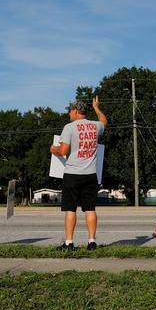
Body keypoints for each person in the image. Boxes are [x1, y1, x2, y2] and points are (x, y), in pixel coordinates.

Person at [50, 97, 108, 251]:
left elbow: (63, 151)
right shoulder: (96, 126)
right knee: (90, 209)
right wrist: (96, 108)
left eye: (69, 111)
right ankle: (92, 242)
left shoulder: (69, 127)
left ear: (75, 111)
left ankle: (69, 243)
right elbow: (104, 122)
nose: (69, 114)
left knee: (70, 209)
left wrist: (53, 149)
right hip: (90, 174)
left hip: (72, 174)